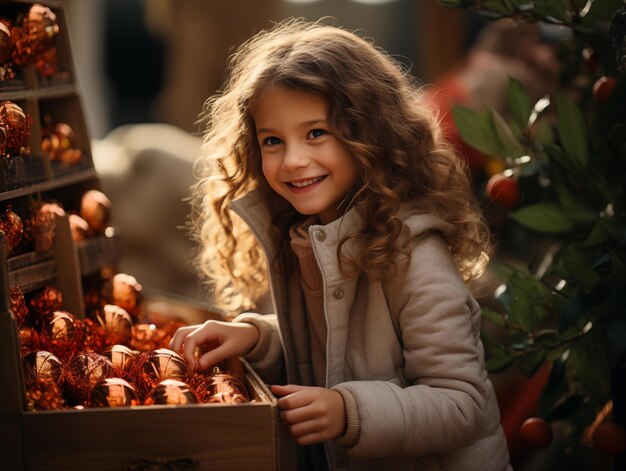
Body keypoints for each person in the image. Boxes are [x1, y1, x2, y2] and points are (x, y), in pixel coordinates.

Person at [169, 18, 512, 471]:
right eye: (273, 140)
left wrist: (347, 410)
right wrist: (256, 336)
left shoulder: (415, 253)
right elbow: (335, 344)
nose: (293, 160)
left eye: (316, 133)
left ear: (369, 134)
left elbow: (460, 404)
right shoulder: (306, 233)